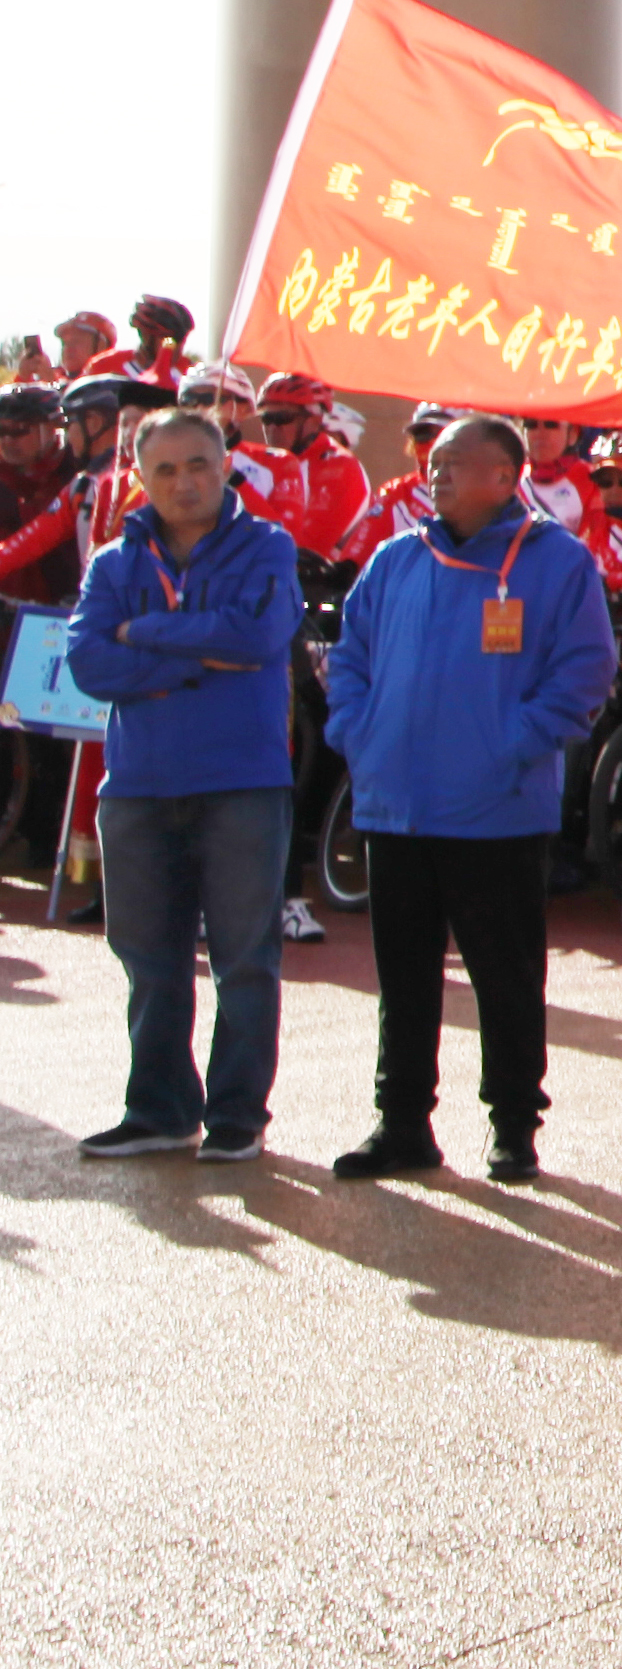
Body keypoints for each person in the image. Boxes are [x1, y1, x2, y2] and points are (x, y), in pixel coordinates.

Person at [319, 413, 617, 1185]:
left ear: (503, 475)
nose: (436, 472)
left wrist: (509, 745)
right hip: (397, 804)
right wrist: (359, 734)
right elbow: (349, 659)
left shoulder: (554, 562)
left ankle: (513, 1125)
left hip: (496, 807)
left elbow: (585, 672)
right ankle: (401, 1123)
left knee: (505, 974)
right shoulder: (395, 560)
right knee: (406, 976)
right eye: (433, 461)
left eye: (455, 461)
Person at [63, 411, 306, 1163]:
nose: (183, 482)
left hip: (242, 782)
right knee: (149, 958)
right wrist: (199, 655)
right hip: (138, 785)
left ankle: (238, 1114)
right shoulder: (113, 563)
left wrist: (147, 634)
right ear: (140, 478)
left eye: (198, 464)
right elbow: (90, 665)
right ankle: (160, 1109)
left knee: (243, 958)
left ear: (225, 464)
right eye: (164, 470)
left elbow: (259, 639)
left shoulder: (267, 547)